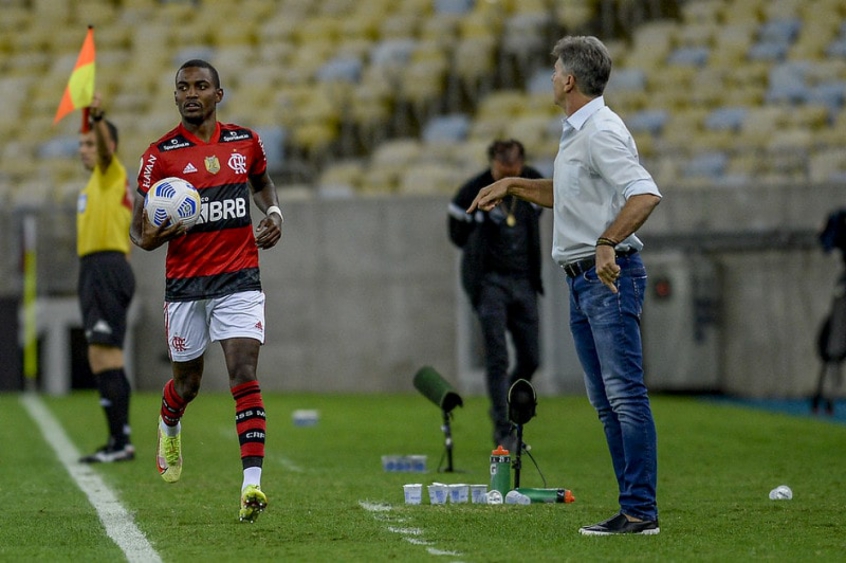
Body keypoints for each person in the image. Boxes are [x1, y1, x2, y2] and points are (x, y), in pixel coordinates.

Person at [468, 36, 662, 535]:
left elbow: (644, 193)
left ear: (570, 80)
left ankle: (641, 511)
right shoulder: (578, 131)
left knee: (624, 397)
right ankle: (633, 508)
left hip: (607, 277)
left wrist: (605, 242)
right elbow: (570, 195)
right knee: (606, 401)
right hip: (582, 282)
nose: (552, 76)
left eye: (556, 70)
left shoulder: (599, 130)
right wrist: (513, 185)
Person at [130, 59, 283, 523]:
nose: (191, 93)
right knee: (188, 383)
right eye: (183, 87)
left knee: (243, 372)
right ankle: (169, 422)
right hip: (186, 286)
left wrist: (275, 215)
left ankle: (251, 486)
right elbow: (138, 231)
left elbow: (262, 185)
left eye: (201, 85)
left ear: (219, 94)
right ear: (175, 97)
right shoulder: (160, 155)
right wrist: (155, 236)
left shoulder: (245, 142)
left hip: (239, 279)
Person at [447, 139, 544, 452]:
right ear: (492, 163)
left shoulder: (532, 183)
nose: (510, 172)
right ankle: (504, 428)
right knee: (497, 356)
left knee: (531, 356)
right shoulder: (472, 189)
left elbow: (543, 211)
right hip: (490, 283)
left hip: (524, 281)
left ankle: (509, 403)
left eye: (514, 167)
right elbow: (456, 231)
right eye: (504, 168)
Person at [76, 93, 136, 464]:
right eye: (80, 143)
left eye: (90, 142)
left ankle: (120, 443)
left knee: (106, 353)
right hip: (92, 270)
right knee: (101, 357)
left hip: (107, 268)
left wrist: (96, 115)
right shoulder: (91, 187)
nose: (83, 149)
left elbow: (104, 152)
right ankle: (117, 440)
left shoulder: (110, 173)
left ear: (106, 145)